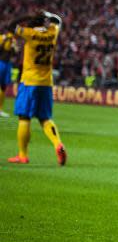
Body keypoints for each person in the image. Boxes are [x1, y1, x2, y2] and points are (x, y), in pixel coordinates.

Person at [7, 11, 67, 165]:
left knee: (24, 118)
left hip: (29, 82)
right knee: (45, 118)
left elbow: (11, 26)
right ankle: (58, 144)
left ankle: (22, 155)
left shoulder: (29, 33)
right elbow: (58, 20)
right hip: (46, 83)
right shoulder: (52, 32)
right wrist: (48, 15)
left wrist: (27, 16)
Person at [0, 29, 16, 117]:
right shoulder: (2, 38)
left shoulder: (13, 40)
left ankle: (0, 109)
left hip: (7, 64)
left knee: (4, 86)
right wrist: (5, 40)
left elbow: (15, 53)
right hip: (1, 63)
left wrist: (13, 47)